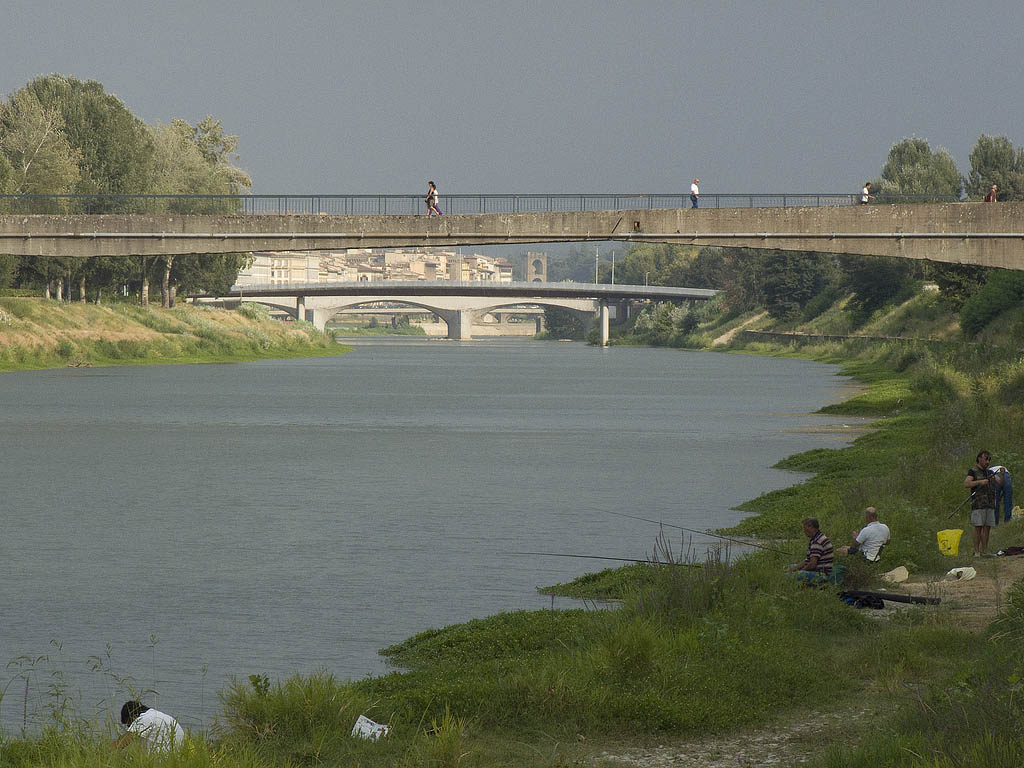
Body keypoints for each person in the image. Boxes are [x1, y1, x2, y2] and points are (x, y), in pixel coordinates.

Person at [964, 450, 1002, 556]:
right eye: (986, 459)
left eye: (989, 459)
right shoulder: (973, 471)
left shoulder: (990, 472)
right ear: (980, 458)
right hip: (978, 504)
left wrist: (1002, 475)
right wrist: (979, 482)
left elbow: (1000, 482)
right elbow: (966, 484)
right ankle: (976, 551)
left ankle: (985, 550)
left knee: (987, 527)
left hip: (990, 503)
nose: (988, 462)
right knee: (978, 527)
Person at [115, 700, 184, 752]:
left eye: (129, 725)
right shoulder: (162, 717)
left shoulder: (144, 719)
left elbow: (119, 744)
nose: (129, 727)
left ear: (133, 717)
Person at [786, 518, 834, 582]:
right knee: (791, 566)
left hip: (822, 575)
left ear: (811, 527)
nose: (804, 531)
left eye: (804, 528)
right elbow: (807, 561)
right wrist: (794, 568)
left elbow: (812, 564)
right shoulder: (817, 537)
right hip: (818, 570)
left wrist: (800, 571)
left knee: (792, 575)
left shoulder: (817, 542)